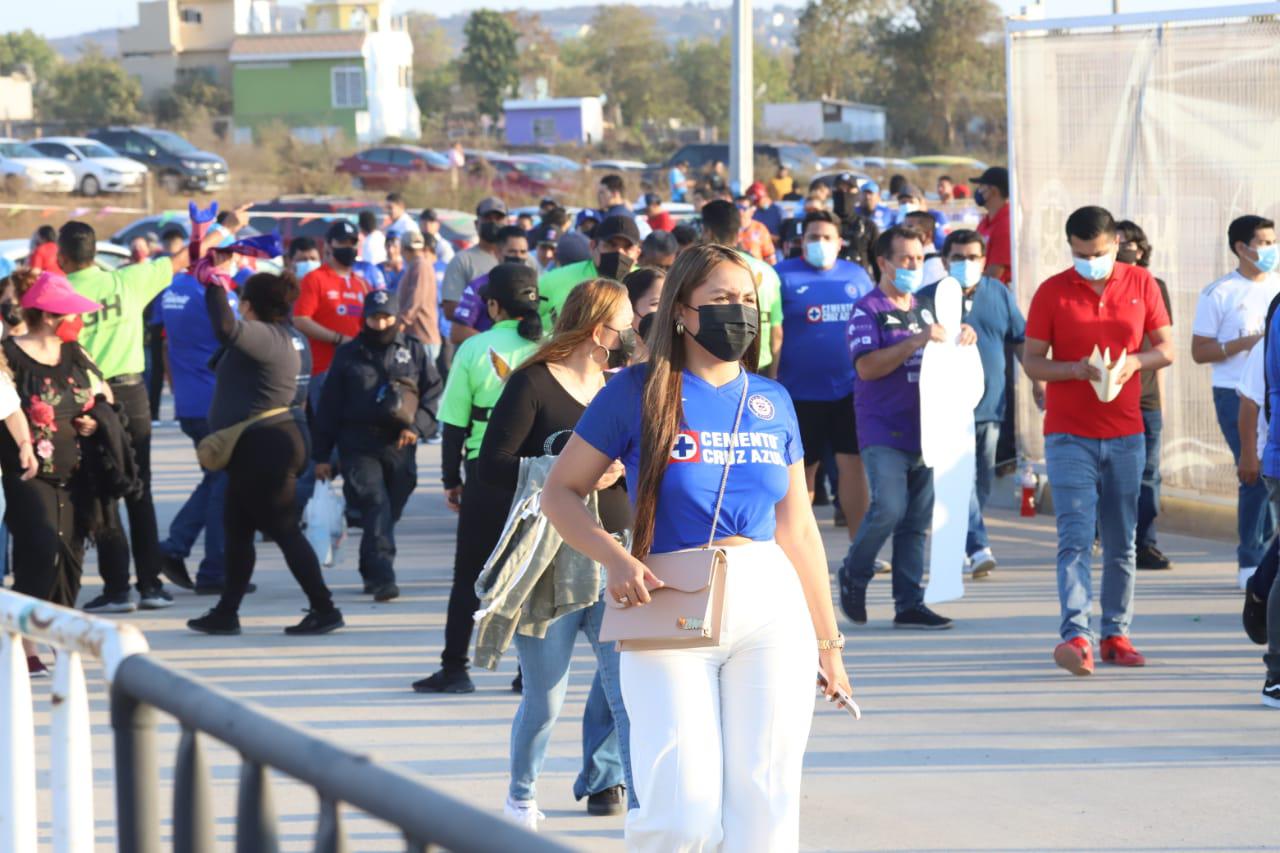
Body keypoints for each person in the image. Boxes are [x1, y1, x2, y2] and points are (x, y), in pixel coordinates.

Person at [539, 243, 852, 851]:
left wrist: (829, 643)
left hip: (770, 600)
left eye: (747, 299)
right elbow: (560, 493)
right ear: (681, 310)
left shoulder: (772, 400)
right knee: (681, 811)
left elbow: (798, 530)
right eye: (721, 298)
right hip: (669, 597)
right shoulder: (635, 391)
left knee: (767, 802)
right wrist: (614, 558)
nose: (739, 311)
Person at [479, 279, 636, 828]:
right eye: (626, 324)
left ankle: (643, 806)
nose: (633, 334)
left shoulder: (622, 387)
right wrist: (568, 471)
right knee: (544, 699)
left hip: (617, 554)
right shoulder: (532, 384)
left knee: (628, 694)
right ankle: (520, 798)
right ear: (598, 331)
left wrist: (624, 473)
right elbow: (492, 465)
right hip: (547, 560)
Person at [1022, 206, 1173, 675]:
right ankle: (1076, 637)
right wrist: (1073, 370)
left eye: (1099, 253)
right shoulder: (1052, 291)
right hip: (1069, 436)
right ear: (1070, 247)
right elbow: (1032, 360)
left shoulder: (1142, 283)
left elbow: (1167, 348)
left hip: (1126, 433)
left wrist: (1136, 362)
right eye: (1082, 254)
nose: (1091, 262)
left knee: (1122, 540)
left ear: (1116, 244)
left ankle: (1116, 634)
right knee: (1074, 537)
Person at [187, 267, 343, 636]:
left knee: (284, 529)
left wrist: (213, 284)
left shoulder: (267, 336)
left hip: (265, 446)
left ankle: (325, 608)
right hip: (268, 443)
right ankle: (227, 612)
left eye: (241, 300)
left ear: (249, 305)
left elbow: (225, 329)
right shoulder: (291, 337)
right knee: (237, 528)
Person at [413, 264, 544, 694]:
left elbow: (454, 422)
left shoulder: (473, 348)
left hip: (485, 473)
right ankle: (529, 673)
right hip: (538, 475)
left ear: (492, 305)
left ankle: (455, 669)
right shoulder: (552, 347)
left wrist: (450, 478)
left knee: (470, 574)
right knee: (530, 574)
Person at [838, 225, 972, 630]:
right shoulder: (867, 309)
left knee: (915, 521)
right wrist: (914, 342)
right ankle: (854, 572)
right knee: (889, 508)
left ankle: (909, 603)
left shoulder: (927, 308)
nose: (914, 266)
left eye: (918, 258)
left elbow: (948, 356)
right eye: (906, 259)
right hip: (884, 428)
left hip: (929, 429)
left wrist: (965, 336)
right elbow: (866, 367)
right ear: (884, 262)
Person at [62, 220, 189, 613]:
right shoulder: (127, 280)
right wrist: (223, 228)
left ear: (62, 257)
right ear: (95, 251)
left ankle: (117, 589)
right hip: (132, 394)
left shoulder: (60, 293)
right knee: (139, 488)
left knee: (104, 490)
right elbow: (182, 258)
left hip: (89, 396)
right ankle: (151, 585)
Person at [918, 229, 1041, 578]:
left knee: (981, 481)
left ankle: (959, 538)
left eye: (972, 257)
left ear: (984, 261)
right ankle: (978, 546)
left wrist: (1037, 379)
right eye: (958, 257)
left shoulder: (998, 293)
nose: (966, 263)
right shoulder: (926, 298)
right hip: (947, 409)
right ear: (945, 261)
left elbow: (1020, 339)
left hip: (990, 406)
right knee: (961, 479)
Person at [312, 289, 441, 601]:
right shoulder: (348, 354)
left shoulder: (413, 350)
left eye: (386, 317)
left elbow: (433, 393)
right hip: (358, 444)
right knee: (375, 503)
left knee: (388, 508)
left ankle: (370, 563)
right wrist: (321, 455)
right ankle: (384, 577)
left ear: (396, 318)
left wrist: (417, 427)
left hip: (400, 443)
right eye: (374, 317)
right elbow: (328, 406)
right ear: (364, 318)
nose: (380, 324)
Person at [1, 271, 93, 675]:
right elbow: (8, 407)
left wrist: (95, 421)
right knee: (40, 549)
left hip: (75, 469)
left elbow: (101, 396)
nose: (75, 318)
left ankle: (59, 637)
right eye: (68, 312)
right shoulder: (7, 354)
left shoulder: (76, 352)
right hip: (27, 471)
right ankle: (22, 640)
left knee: (69, 557)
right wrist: (24, 443)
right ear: (50, 315)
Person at [1191, 214, 1279, 589]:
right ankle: (1250, 560)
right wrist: (1243, 344)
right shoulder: (1219, 293)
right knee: (1253, 471)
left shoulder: (1277, 287)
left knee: (1271, 475)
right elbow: (1199, 351)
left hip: (1272, 394)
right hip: (1235, 393)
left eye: (1273, 242)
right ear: (1241, 248)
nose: (1271, 249)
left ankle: (1268, 558)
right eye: (1263, 243)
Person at [776, 210, 874, 532]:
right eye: (814, 237)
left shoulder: (857, 276)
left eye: (827, 237)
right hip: (798, 393)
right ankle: (799, 547)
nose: (821, 243)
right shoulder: (782, 276)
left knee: (853, 465)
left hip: (849, 390)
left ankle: (861, 549)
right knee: (802, 472)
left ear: (840, 242)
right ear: (802, 241)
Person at [157, 249, 239, 595]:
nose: (235, 264)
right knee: (224, 484)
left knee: (215, 479)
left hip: (189, 400)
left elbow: (163, 342)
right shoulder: (217, 293)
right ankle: (212, 568)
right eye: (232, 256)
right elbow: (237, 336)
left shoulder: (172, 289)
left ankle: (177, 547)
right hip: (216, 401)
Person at [1115, 220, 1175, 570]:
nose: (1126, 251)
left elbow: (1162, 346)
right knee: (1110, 472)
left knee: (1148, 474)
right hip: (1108, 396)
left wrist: (1161, 401)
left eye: (1131, 244)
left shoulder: (1153, 286)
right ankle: (1106, 532)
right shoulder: (1096, 286)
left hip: (1145, 397)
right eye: (1119, 243)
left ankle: (1145, 543)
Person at [292, 219, 372, 412]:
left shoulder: (362, 284)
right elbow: (300, 320)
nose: (348, 247)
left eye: (352, 242)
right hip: (324, 369)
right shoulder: (315, 279)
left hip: (357, 370)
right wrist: (338, 339)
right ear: (328, 246)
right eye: (342, 242)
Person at [700, 200, 783, 376]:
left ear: (706, 232)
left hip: (713, 369)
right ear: (738, 232)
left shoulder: (701, 272)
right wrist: (773, 377)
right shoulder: (767, 271)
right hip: (761, 367)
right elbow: (776, 332)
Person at [539, 216, 642, 322]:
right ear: (592, 246)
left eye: (627, 248)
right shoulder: (554, 281)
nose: (619, 253)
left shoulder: (646, 285)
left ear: (637, 253)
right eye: (610, 245)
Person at [451, 226, 534, 342]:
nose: (518, 256)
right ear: (497, 252)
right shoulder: (479, 287)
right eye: (512, 251)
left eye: (523, 252)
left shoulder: (534, 286)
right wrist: (496, 342)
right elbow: (457, 332)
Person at [441, 197, 507, 320]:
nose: (493, 223)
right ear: (477, 224)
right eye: (487, 218)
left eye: (498, 218)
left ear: (506, 222)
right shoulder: (462, 261)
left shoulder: (521, 259)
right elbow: (450, 309)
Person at [396, 231, 442, 360]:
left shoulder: (420, 266)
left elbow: (416, 300)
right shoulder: (417, 265)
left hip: (422, 338)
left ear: (403, 249)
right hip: (418, 337)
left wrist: (402, 322)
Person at [973, 167, 1012, 285]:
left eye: (981, 186)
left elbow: (994, 273)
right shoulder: (986, 221)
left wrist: (969, 286)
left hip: (995, 291)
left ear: (993, 190)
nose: (978, 191)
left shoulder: (1006, 224)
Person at [735, 194, 776, 265]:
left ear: (752, 210)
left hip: (756, 270)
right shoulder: (728, 228)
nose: (740, 211)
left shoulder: (760, 228)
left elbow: (769, 256)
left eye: (744, 208)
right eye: (737, 208)